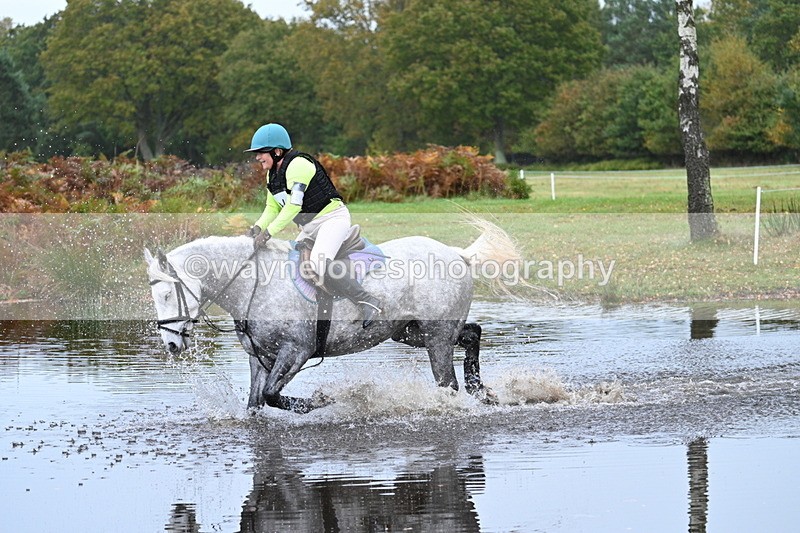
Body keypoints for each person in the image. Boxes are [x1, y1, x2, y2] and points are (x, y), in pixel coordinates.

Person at [244, 123, 382, 328]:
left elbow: (293, 206)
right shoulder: (271, 174)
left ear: (277, 151)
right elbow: (271, 207)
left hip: (332, 219)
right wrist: (257, 228)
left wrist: (269, 233)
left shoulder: (299, 165)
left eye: (261, 153)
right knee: (288, 263)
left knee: (319, 262)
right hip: (309, 228)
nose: (257, 157)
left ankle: (368, 301)